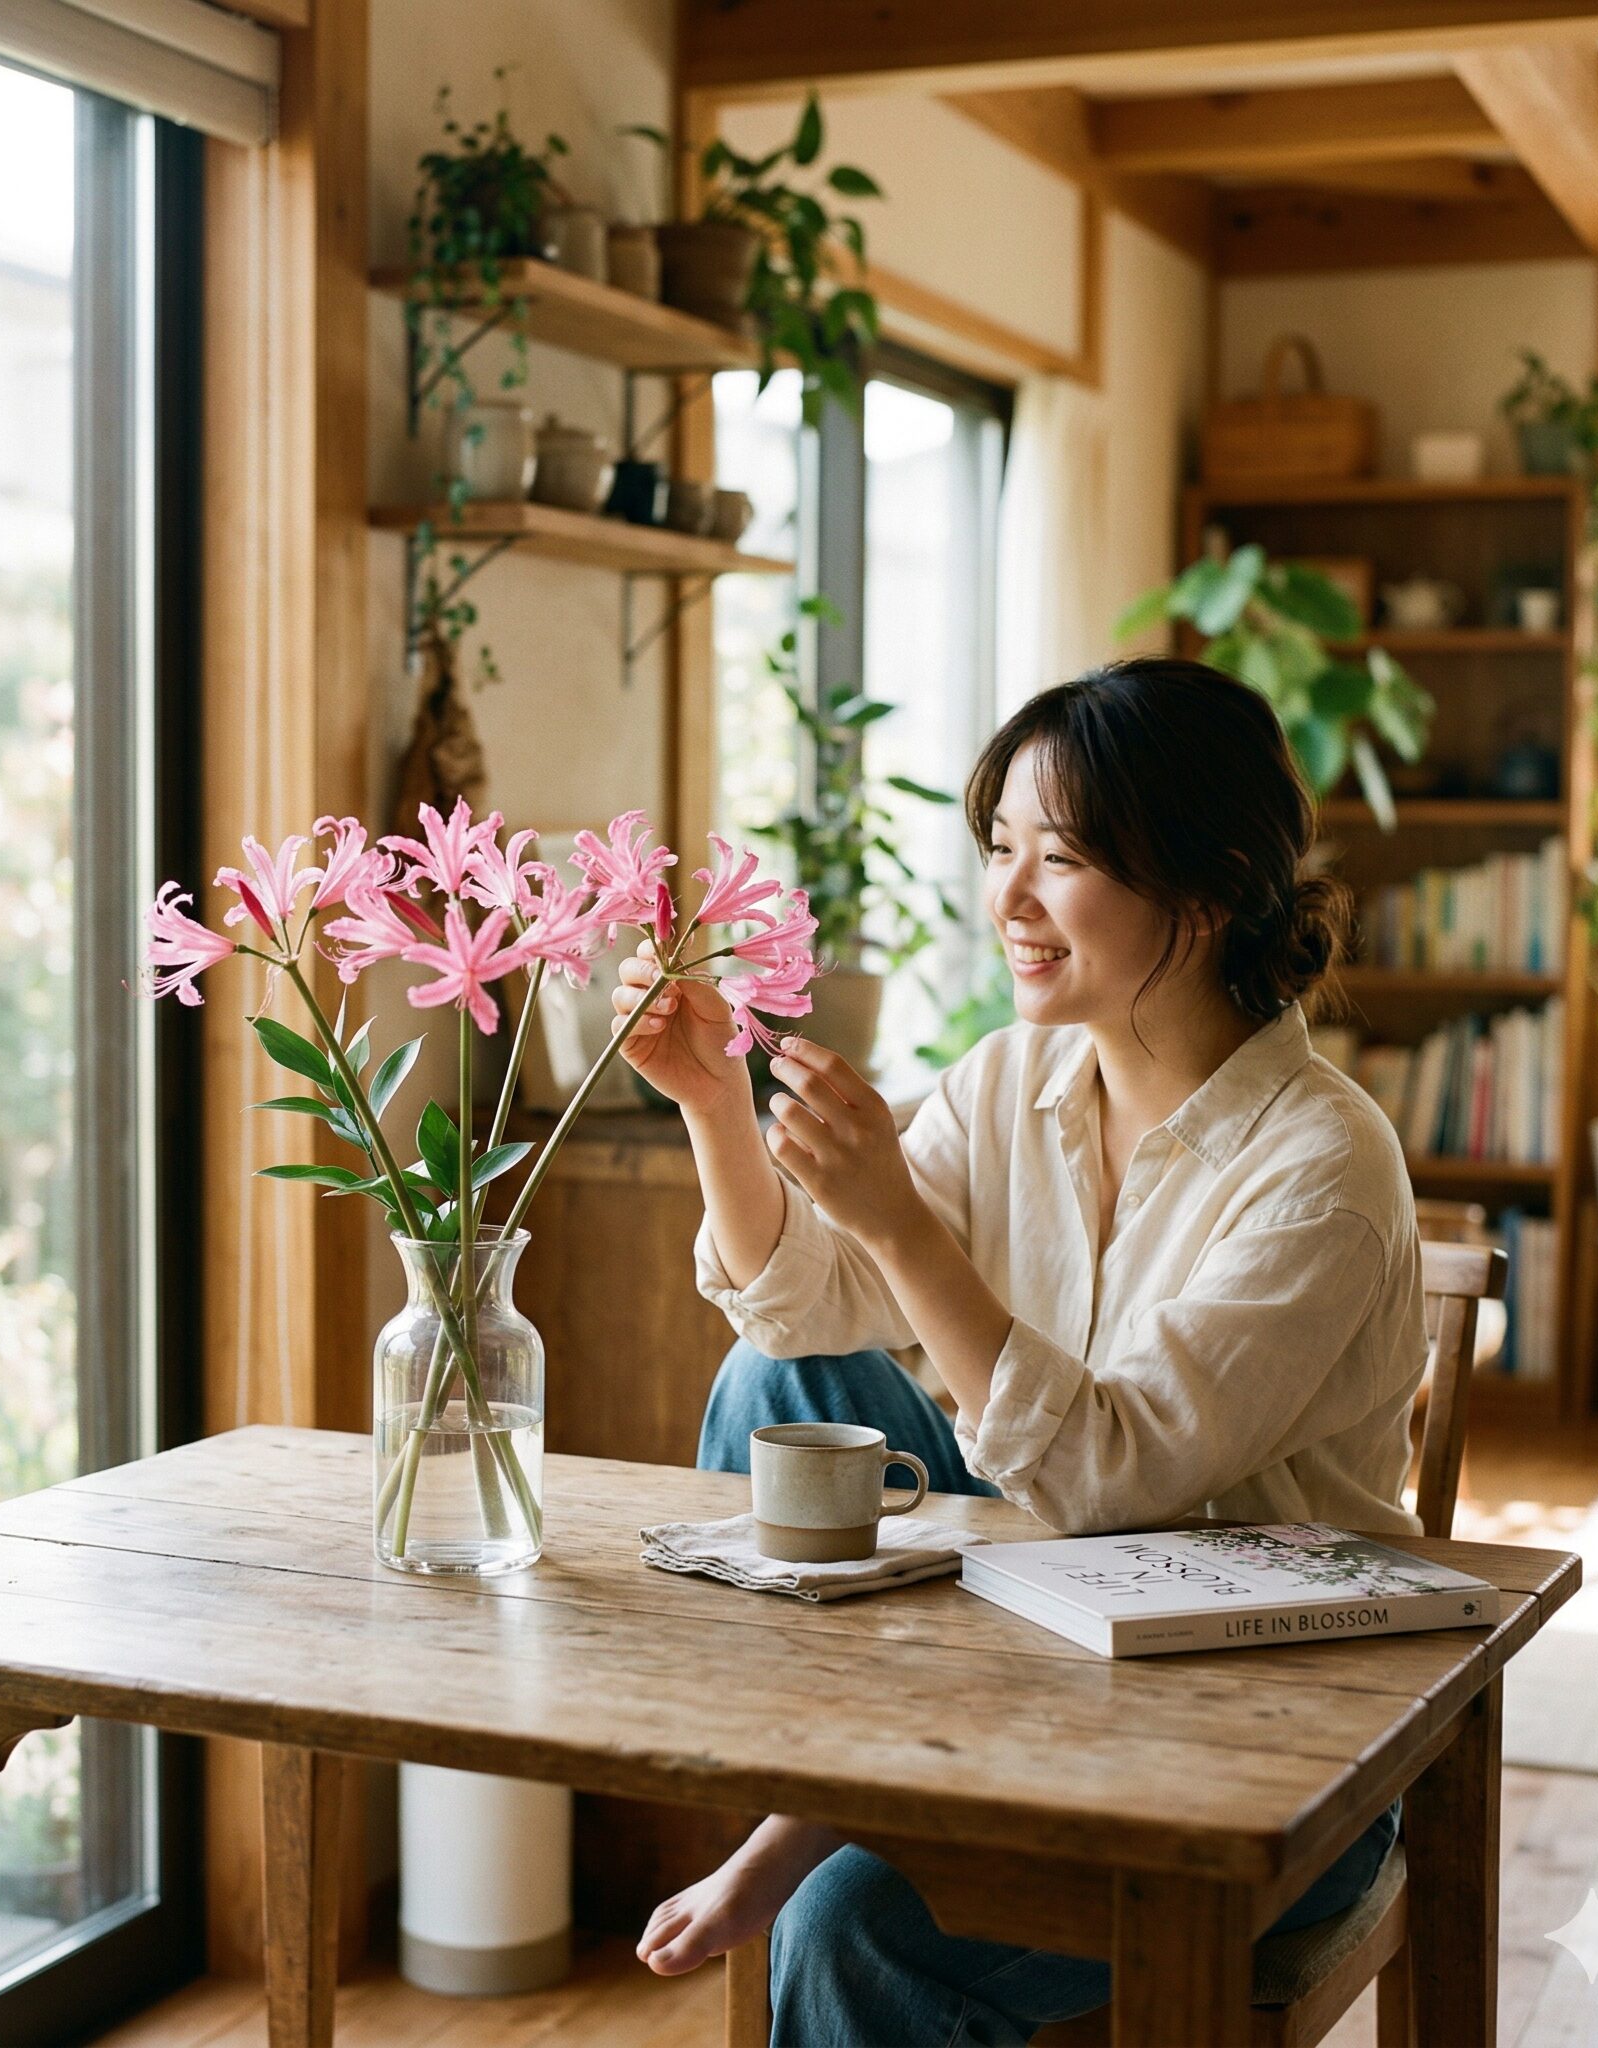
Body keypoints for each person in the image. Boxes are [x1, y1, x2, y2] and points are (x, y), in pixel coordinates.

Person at [609, 657, 1424, 2046]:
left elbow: (1114, 1478)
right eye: (1000, 850)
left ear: (1209, 885)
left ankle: (824, 1846)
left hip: (1249, 1730)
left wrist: (908, 1232)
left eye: (1063, 857)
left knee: (850, 1935)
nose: (1011, 900)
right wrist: (713, 1110)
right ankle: (816, 1796)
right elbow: (808, 1309)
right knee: (777, 1389)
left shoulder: (1324, 1164)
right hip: (1026, 1644)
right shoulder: (1013, 1079)